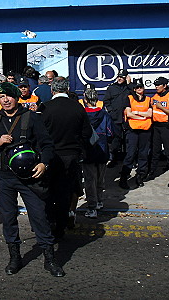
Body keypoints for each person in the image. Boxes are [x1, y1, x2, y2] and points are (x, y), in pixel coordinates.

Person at [0, 82, 64, 277]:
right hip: (5, 177)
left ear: (17, 98)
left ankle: (50, 259)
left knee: (39, 216)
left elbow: (48, 145)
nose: (5, 100)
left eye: (9, 96)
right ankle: (14, 257)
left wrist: (44, 164)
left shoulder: (31, 118)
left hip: (29, 178)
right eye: (1, 97)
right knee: (8, 217)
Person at [40, 77, 92, 240]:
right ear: (67, 89)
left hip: (50, 155)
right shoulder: (77, 107)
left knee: (48, 190)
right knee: (65, 192)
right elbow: (87, 133)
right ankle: (61, 226)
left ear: (52, 90)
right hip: (71, 155)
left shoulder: (45, 108)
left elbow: (38, 133)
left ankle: (49, 222)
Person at [82, 87, 114, 218]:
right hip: (102, 149)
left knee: (90, 180)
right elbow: (111, 133)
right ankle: (100, 201)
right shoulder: (105, 114)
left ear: (85, 99)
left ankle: (92, 207)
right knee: (100, 178)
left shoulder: (82, 114)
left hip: (87, 150)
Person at [147, 77, 169, 187]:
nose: (156, 87)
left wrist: (161, 107)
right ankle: (152, 172)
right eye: (155, 85)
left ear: (164, 85)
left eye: (158, 85)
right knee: (155, 151)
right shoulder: (155, 96)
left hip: (167, 127)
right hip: (156, 127)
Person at [120, 78, 152, 190]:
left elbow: (151, 113)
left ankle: (140, 177)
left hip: (145, 130)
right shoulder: (128, 98)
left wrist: (137, 113)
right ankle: (123, 178)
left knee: (143, 154)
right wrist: (143, 115)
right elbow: (128, 114)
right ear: (134, 89)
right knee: (130, 154)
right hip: (132, 130)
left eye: (141, 87)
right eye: (137, 87)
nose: (139, 89)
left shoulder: (148, 99)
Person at [103, 69, 134, 167]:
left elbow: (136, 96)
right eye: (119, 76)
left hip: (128, 118)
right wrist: (111, 112)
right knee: (116, 140)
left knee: (128, 141)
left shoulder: (129, 88)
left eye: (122, 77)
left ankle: (129, 161)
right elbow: (106, 101)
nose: (120, 78)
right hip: (115, 118)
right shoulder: (111, 88)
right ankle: (113, 159)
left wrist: (129, 84)